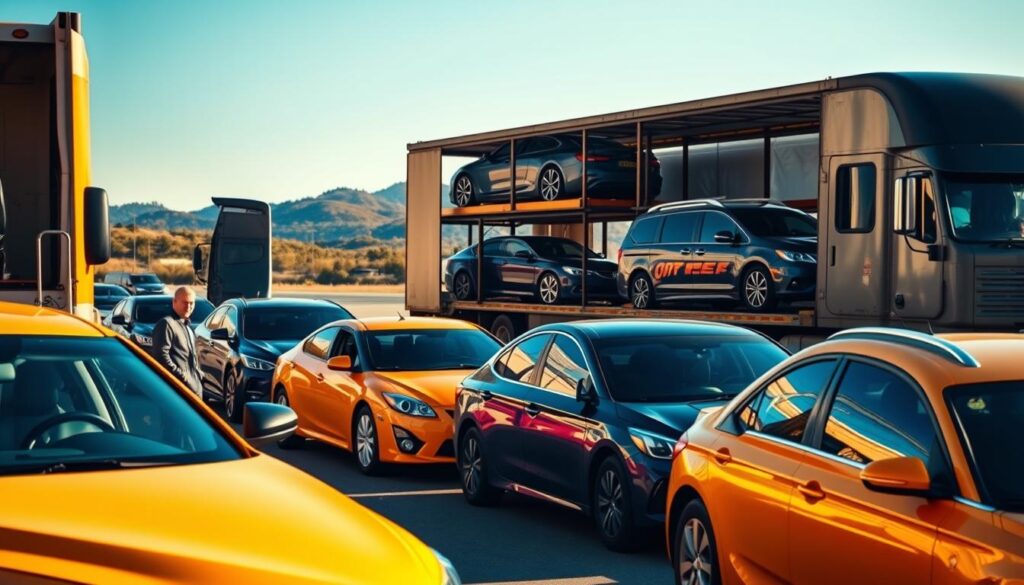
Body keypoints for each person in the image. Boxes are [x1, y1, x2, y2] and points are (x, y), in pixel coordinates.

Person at [151, 286, 203, 396]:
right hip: (177, 393)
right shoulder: (166, 324)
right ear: (174, 302)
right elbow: (160, 357)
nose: (188, 307)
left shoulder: (188, 327)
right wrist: (183, 378)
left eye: (191, 303)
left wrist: (199, 375)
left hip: (193, 392)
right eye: (185, 302)